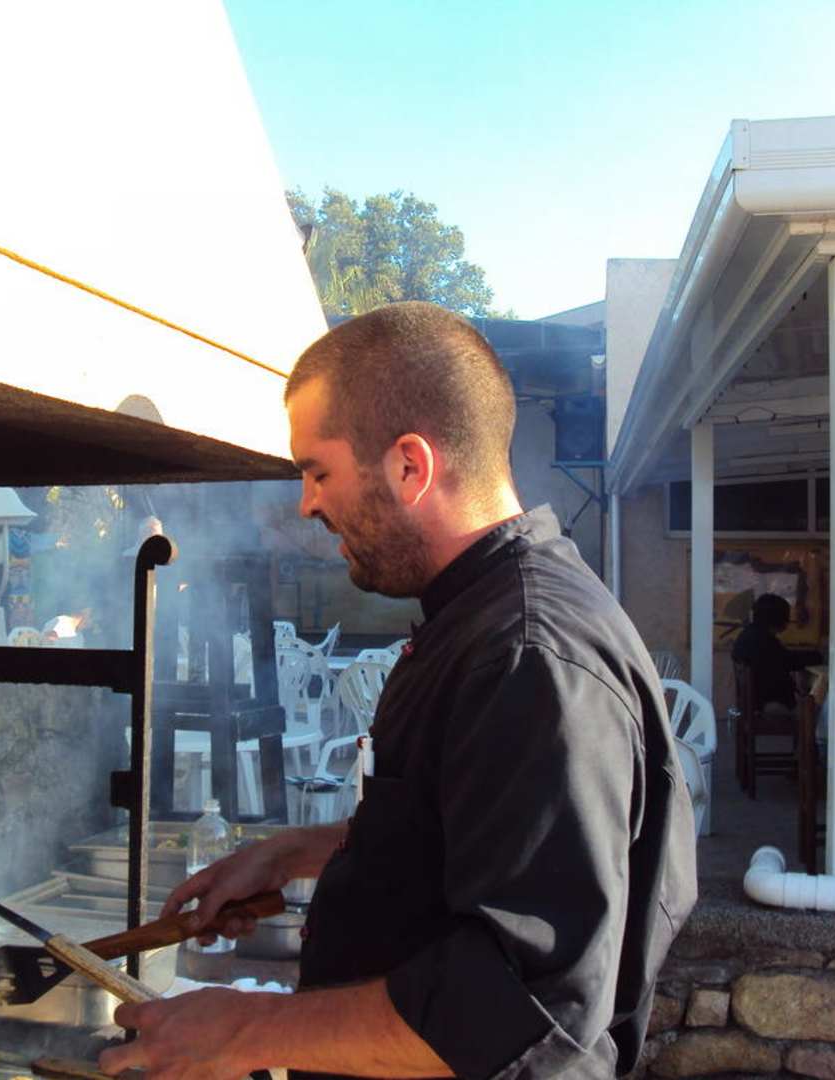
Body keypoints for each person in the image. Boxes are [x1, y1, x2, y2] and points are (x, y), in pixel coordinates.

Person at [101, 302, 697, 1079]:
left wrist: (244, 1029)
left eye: (318, 471)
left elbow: (518, 1003)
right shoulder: (475, 620)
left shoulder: (527, 657)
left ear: (410, 466)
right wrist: (292, 854)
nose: (307, 503)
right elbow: (459, 835)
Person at [731, 593, 799, 712]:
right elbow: (788, 661)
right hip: (768, 704)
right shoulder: (764, 640)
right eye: (785, 617)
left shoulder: (748, 634)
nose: (788, 622)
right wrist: (820, 657)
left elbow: (783, 658)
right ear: (777, 618)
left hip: (752, 704)